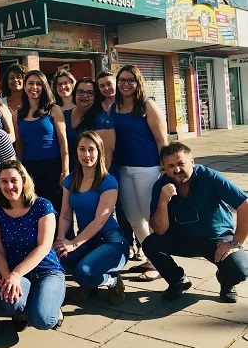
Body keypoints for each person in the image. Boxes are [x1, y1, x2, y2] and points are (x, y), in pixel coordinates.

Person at [145, 142, 248, 302]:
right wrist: (163, 201)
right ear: (163, 167)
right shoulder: (161, 186)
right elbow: (160, 230)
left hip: (216, 238)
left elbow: (244, 205)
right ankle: (178, 280)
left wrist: (235, 242)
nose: (177, 170)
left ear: (192, 162)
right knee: (150, 244)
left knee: (240, 270)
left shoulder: (209, 177)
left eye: (181, 163)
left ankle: (226, 280)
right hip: (182, 238)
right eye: (171, 166)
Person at [0, 160, 65, 331]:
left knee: (43, 320)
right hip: (16, 272)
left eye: (14, 180)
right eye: (4, 181)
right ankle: (24, 309)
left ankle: (52, 307)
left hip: (46, 270)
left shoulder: (42, 206)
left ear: (23, 181)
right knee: (9, 305)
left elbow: (44, 246)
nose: (9, 186)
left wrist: (15, 274)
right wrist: (8, 277)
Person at [55, 132, 128, 304]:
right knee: (59, 258)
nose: (86, 154)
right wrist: (60, 241)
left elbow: (100, 220)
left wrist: (74, 244)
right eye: (82, 149)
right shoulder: (71, 180)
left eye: (91, 150)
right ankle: (90, 282)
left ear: (99, 152)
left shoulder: (108, 182)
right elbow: (65, 215)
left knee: (84, 273)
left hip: (111, 242)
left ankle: (113, 280)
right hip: (87, 241)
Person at [110, 64, 168, 280]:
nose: (125, 84)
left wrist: (165, 168)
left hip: (148, 168)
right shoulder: (114, 108)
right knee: (133, 218)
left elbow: (162, 140)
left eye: (130, 80)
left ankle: (161, 262)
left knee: (150, 216)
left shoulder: (147, 105)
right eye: (122, 80)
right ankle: (152, 256)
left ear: (138, 83)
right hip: (123, 169)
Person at [14, 70, 68, 213]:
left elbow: (63, 142)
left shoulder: (54, 109)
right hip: (29, 168)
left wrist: (65, 171)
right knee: (34, 208)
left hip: (53, 166)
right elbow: (19, 144)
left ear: (44, 87)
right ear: (25, 86)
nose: (34, 87)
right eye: (30, 83)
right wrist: (20, 170)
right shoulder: (17, 115)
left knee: (55, 209)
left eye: (39, 84)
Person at [97, 70, 137, 258]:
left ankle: (142, 244)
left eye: (109, 83)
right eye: (102, 85)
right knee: (121, 205)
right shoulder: (98, 107)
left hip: (131, 158)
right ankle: (127, 242)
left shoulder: (127, 105)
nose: (106, 88)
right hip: (110, 162)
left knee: (134, 206)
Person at [63, 77, 115, 171]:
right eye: (80, 92)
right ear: (74, 94)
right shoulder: (64, 115)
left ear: (95, 96)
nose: (85, 96)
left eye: (90, 93)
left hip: (95, 174)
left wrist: (93, 179)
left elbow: (106, 157)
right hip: (70, 172)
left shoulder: (102, 120)